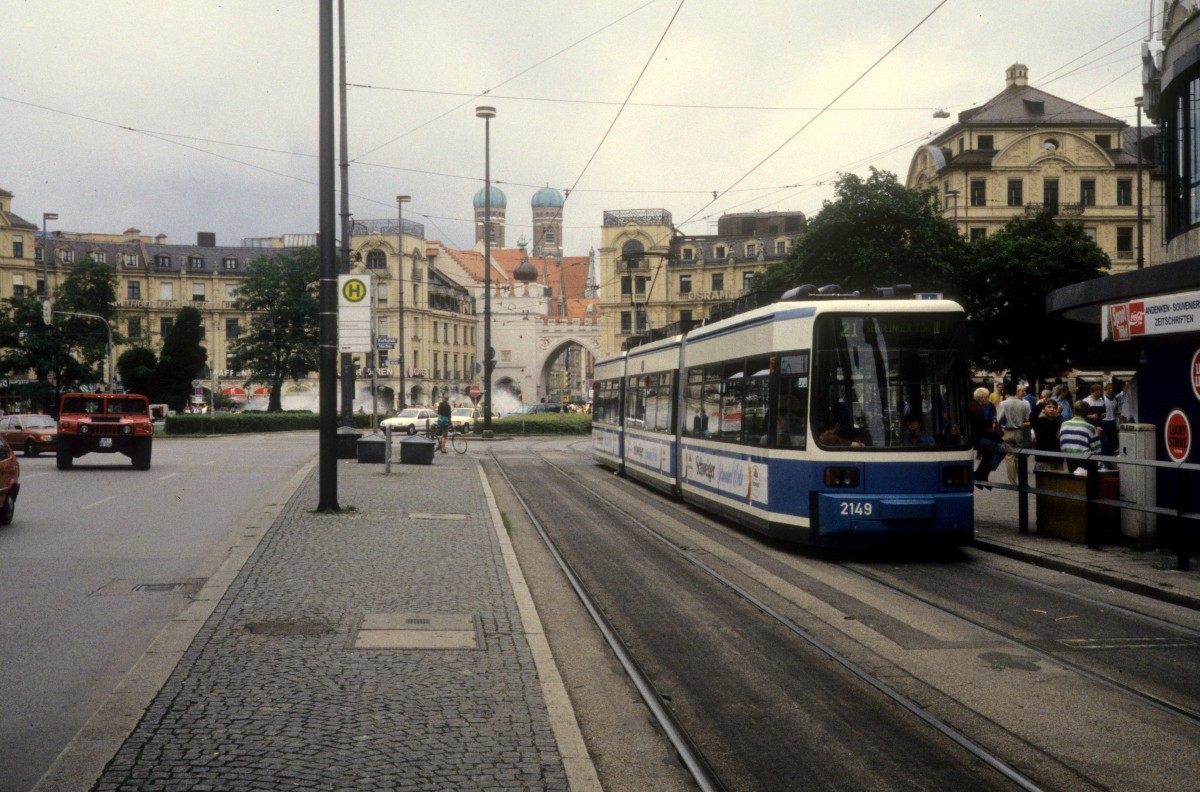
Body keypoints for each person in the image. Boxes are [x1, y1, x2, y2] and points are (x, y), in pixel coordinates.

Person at [995, 384, 1031, 484]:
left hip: (1007, 431)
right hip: (1019, 431)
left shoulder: (1003, 404)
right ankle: (1022, 480)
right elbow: (1027, 419)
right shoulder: (1024, 404)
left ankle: (1012, 481)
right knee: (1020, 456)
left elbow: (998, 419)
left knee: (1010, 456)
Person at [970, 387, 1004, 485]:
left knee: (990, 450)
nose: (989, 399)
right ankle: (983, 474)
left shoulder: (974, 406)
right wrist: (998, 433)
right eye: (988, 397)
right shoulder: (977, 409)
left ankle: (981, 473)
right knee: (1000, 447)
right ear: (984, 398)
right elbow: (983, 429)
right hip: (977, 438)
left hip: (975, 436)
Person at [1059, 400, 1101, 473]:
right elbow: (1097, 449)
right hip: (1086, 461)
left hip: (1069, 459)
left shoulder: (1064, 424)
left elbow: (1062, 443)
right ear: (1087, 413)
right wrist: (1098, 435)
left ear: (1074, 410)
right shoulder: (1090, 427)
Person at [1030, 398, 1063, 470]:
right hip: (1044, 459)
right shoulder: (1040, 422)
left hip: (1057, 458)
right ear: (1043, 409)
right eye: (1049, 407)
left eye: (1054, 408)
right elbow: (1032, 417)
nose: (1052, 409)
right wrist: (1040, 404)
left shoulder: (1055, 422)